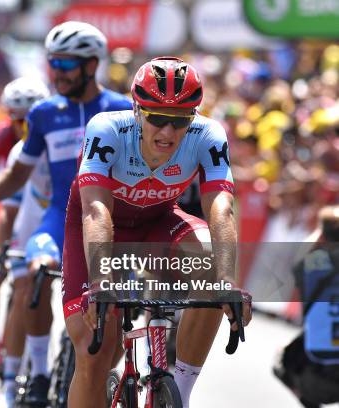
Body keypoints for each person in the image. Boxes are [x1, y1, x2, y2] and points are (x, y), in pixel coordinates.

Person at [62, 56, 253, 408]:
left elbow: (221, 207)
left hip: (158, 222)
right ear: (137, 110)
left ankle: (179, 392)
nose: (167, 132)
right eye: (158, 118)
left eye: (179, 121)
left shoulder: (207, 135)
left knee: (212, 272)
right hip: (99, 229)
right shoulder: (107, 128)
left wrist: (227, 280)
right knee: (93, 351)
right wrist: (102, 279)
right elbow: (96, 208)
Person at [0, 21, 132, 405]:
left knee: (109, 345)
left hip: (112, 223)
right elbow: (17, 174)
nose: (56, 74)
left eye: (66, 65)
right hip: (59, 221)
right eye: (52, 64)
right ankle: (41, 374)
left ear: (92, 65)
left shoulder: (123, 109)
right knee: (32, 275)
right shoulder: (43, 114)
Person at [0, 77, 51, 372]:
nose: (23, 128)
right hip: (3, 196)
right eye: (16, 120)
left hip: (40, 202)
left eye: (28, 120)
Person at [274, 205, 339, 408]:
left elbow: (298, 257)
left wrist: (319, 234)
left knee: (281, 360)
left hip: (315, 380)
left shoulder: (312, 264)